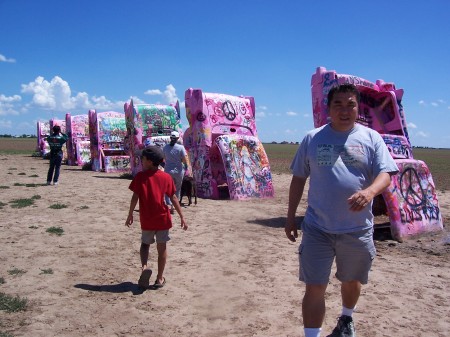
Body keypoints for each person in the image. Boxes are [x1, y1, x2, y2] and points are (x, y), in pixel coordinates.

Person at [285, 84, 398, 337]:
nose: (345, 110)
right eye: (338, 104)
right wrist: (291, 218)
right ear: (329, 108)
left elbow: (386, 174)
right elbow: (298, 179)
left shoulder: (371, 138)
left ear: (358, 108)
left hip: (357, 229)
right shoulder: (312, 138)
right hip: (317, 228)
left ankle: (346, 318)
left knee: (351, 281)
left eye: (351, 104)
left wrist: (369, 192)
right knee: (315, 286)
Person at [125, 146, 188, 289]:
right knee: (162, 248)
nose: (141, 160)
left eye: (143, 158)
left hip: (147, 218)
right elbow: (173, 197)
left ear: (149, 161)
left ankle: (144, 267)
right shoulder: (166, 177)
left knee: (145, 244)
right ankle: (159, 278)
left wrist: (130, 214)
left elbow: (135, 197)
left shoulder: (141, 177)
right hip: (162, 219)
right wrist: (182, 217)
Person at [163, 131, 189, 214]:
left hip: (167, 170)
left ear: (170, 138)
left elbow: (163, 159)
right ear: (178, 138)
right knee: (177, 189)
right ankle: (174, 206)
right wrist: (186, 167)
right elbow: (185, 160)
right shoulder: (180, 148)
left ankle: (169, 205)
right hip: (178, 171)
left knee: (167, 189)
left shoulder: (165, 147)